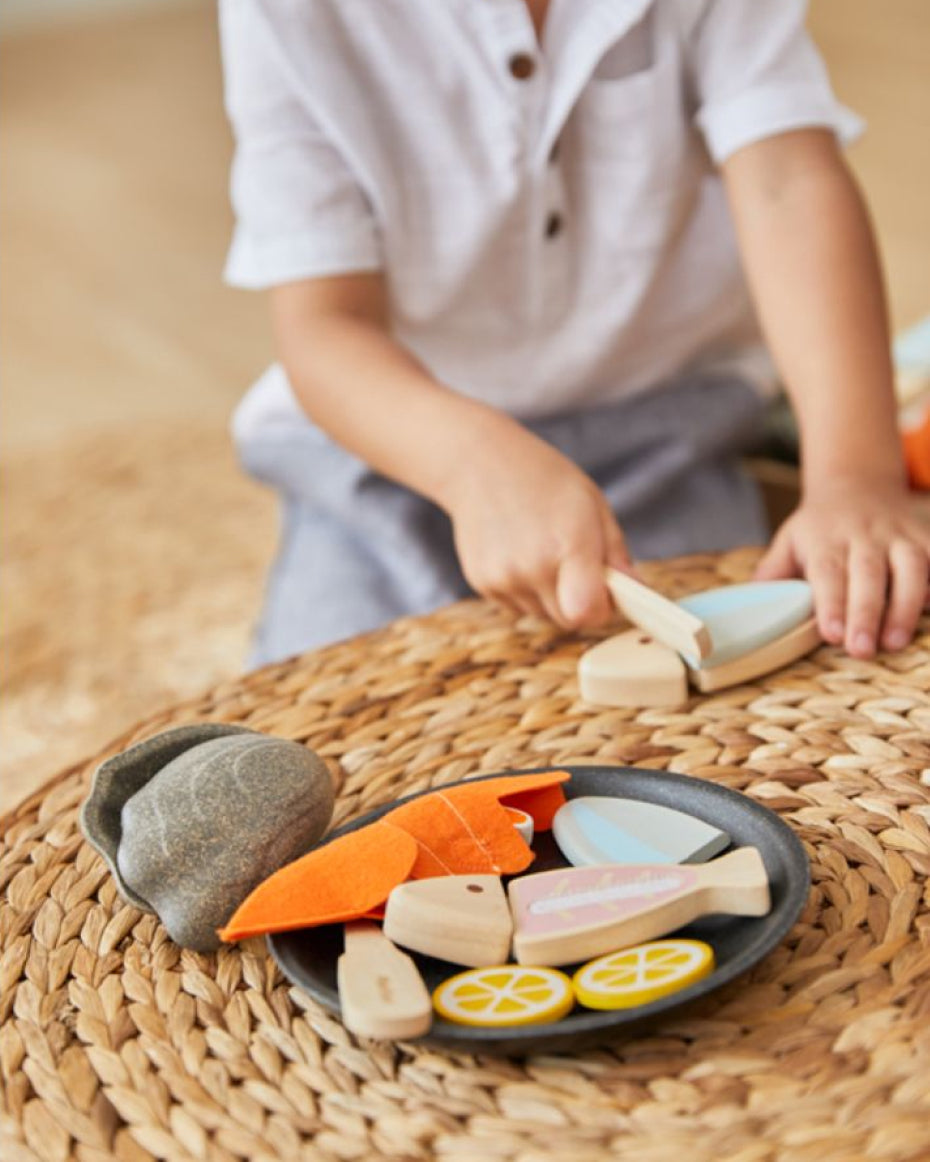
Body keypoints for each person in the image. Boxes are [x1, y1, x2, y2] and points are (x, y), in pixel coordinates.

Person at [218, 0, 929, 667]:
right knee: (334, 726)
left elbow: (787, 181)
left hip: (668, 432)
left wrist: (854, 477)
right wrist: (471, 466)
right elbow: (324, 326)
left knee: (723, 691)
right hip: (389, 459)